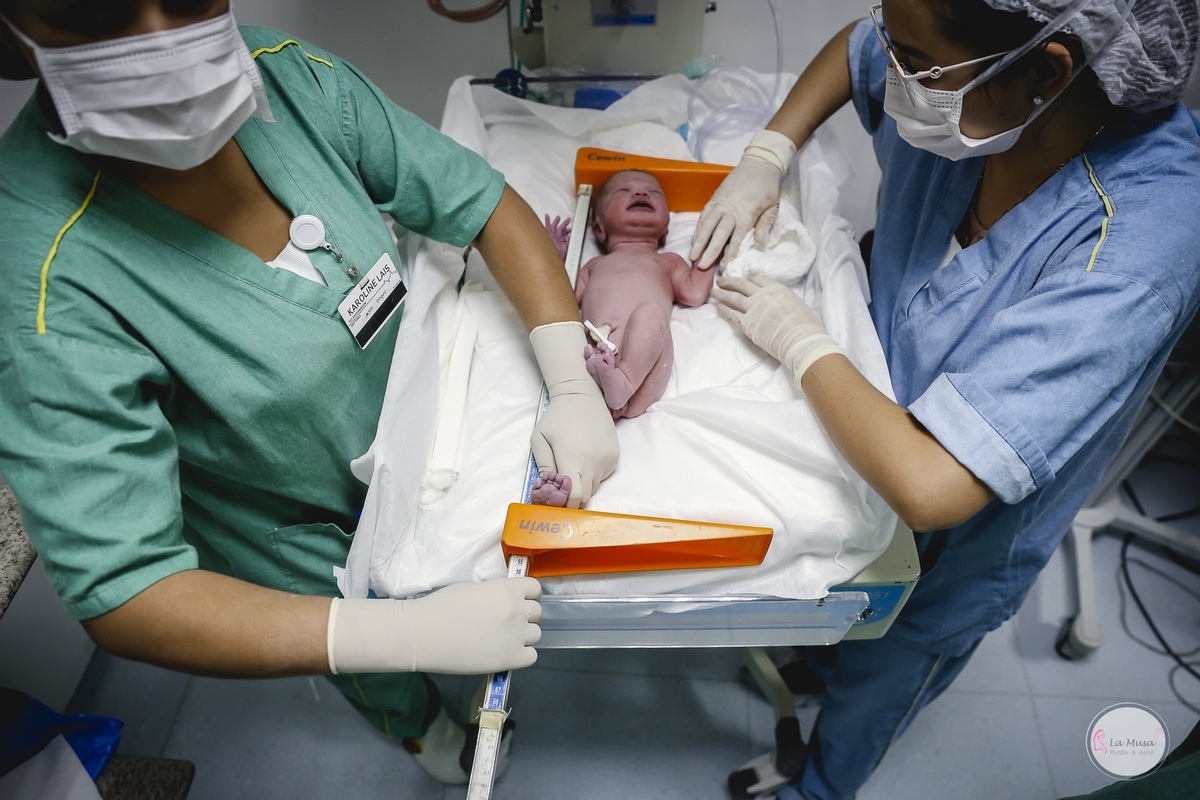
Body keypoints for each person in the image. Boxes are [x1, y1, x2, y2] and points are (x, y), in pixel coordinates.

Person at [0, 0, 618, 786]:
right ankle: (423, 733)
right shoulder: (42, 283)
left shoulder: (292, 79)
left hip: (423, 432)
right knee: (380, 668)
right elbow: (126, 588)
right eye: (96, 9)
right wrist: (403, 638)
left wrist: (570, 378)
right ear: (14, 33)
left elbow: (481, 201)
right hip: (302, 539)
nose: (161, 40)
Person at [689, 1, 1200, 798]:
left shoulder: (1134, 243)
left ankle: (821, 784)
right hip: (869, 445)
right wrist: (769, 149)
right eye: (896, 44)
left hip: (958, 546)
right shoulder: (970, 98)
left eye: (916, 60)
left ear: (1044, 72)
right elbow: (855, 50)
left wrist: (801, 341)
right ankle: (823, 656)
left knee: (886, 670)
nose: (892, 70)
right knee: (847, 598)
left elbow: (933, 487)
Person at [531, 170, 713, 506]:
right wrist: (556, 258)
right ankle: (561, 487)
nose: (641, 193)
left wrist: (709, 250)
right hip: (592, 369)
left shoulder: (667, 262)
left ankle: (623, 381)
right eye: (625, 190)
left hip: (641, 377)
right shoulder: (594, 265)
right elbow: (562, 300)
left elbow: (695, 291)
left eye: (653, 192)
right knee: (573, 427)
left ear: (666, 228)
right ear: (598, 228)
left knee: (651, 316)